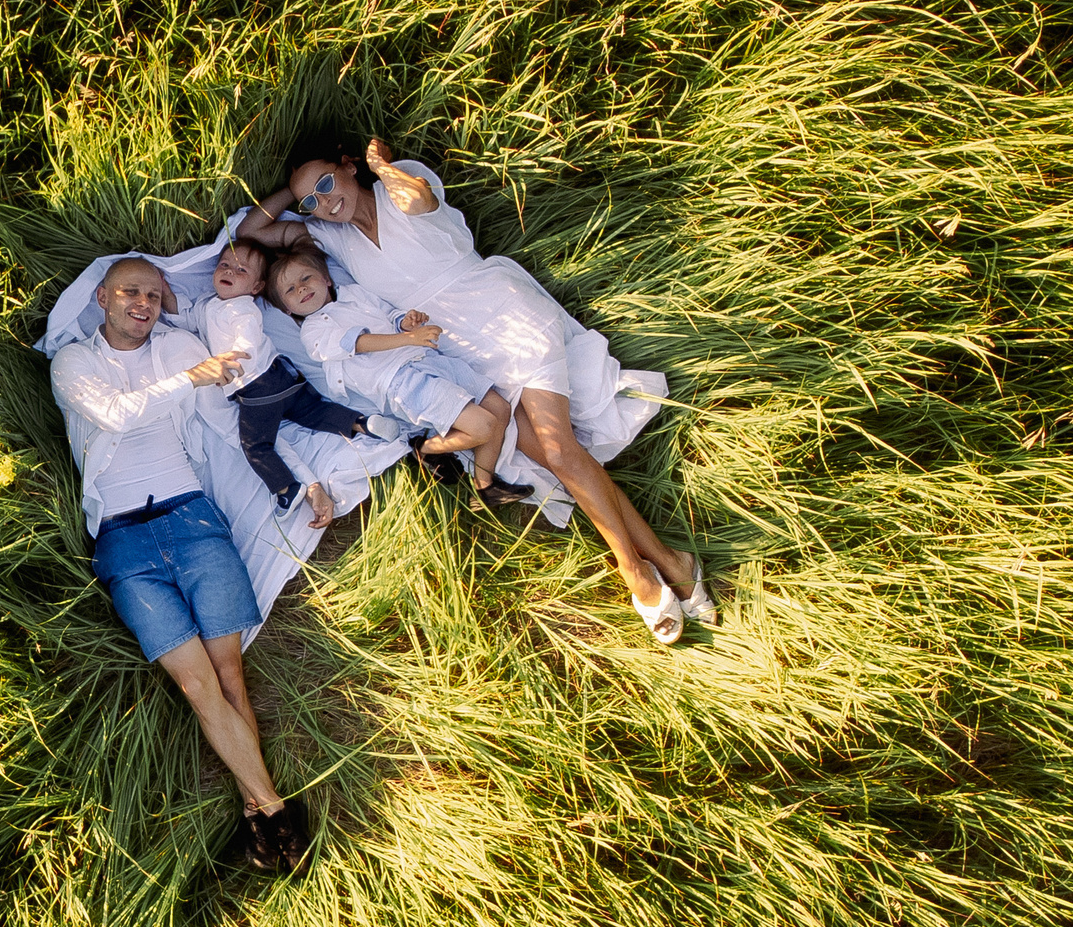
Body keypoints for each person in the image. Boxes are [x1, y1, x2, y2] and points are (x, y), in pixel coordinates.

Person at [240, 134, 714, 643]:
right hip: (459, 349)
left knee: (558, 447)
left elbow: (418, 197)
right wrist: (303, 194)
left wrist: (377, 166)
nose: (323, 202)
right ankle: (669, 559)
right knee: (560, 455)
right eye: (312, 199)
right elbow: (249, 230)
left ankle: (635, 571)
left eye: (328, 183)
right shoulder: (329, 238)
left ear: (351, 166)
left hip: (505, 312)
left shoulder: (397, 186)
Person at [49, 255, 311, 872]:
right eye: (130, 292)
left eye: (153, 292)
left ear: (165, 300)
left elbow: (229, 419)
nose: (142, 302)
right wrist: (191, 377)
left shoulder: (179, 347)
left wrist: (300, 478)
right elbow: (116, 413)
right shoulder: (74, 363)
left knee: (229, 674)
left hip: (192, 516)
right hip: (123, 540)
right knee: (195, 684)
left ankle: (257, 817)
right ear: (104, 297)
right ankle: (273, 807)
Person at [264, 243, 525, 506]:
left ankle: (484, 487)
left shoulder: (354, 294)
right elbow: (359, 342)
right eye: (290, 290)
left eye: (306, 278)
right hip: (400, 381)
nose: (301, 288)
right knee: (484, 426)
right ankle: (425, 449)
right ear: (286, 309)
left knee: (499, 408)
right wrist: (408, 338)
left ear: (326, 279)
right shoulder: (313, 332)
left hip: (428, 359)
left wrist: (406, 322)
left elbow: (389, 314)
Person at [188, 237, 361, 528]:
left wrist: (233, 364)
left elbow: (248, 339)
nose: (229, 272)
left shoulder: (241, 308)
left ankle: (286, 489)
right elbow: (188, 316)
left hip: (257, 387)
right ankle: (360, 423)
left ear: (256, 288)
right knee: (313, 411)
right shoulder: (210, 305)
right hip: (284, 377)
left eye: (241, 271)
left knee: (256, 445)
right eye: (224, 266)